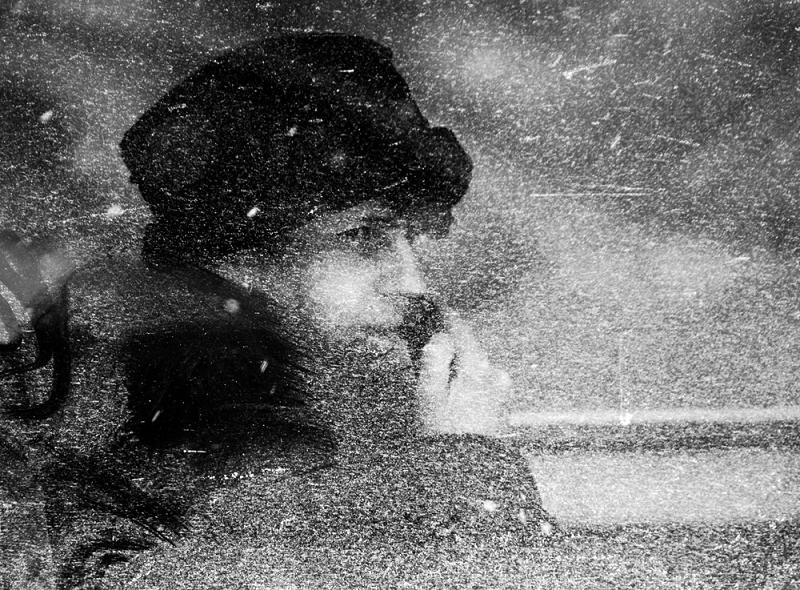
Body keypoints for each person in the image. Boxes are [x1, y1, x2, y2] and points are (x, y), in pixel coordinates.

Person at [2, 32, 552, 589]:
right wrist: (466, 464)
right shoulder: (160, 407)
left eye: (408, 238)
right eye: (363, 236)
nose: (412, 281)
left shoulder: (292, 380)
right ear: (240, 258)